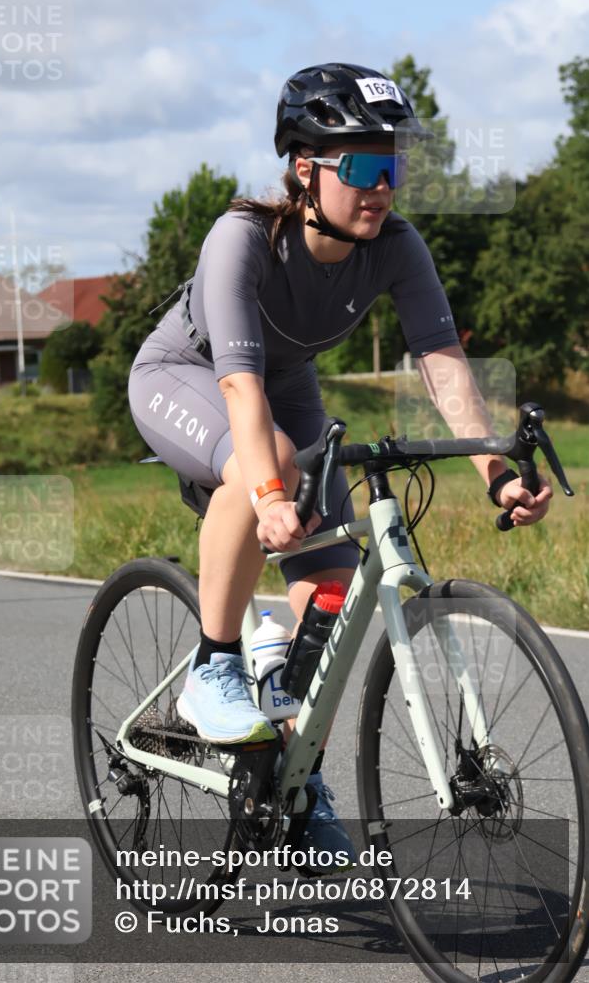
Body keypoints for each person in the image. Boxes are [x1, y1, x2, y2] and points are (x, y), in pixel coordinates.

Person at [128, 63, 552, 870]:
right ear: (304, 168)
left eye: (392, 166)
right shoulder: (242, 238)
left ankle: (292, 772)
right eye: (360, 166)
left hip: (284, 386)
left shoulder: (394, 245)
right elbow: (238, 387)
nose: (382, 186)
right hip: (186, 376)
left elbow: (442, 364)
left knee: (330, 577)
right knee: (273, 467)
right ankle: (214, 668)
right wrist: (263, 491)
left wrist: (496, 471)